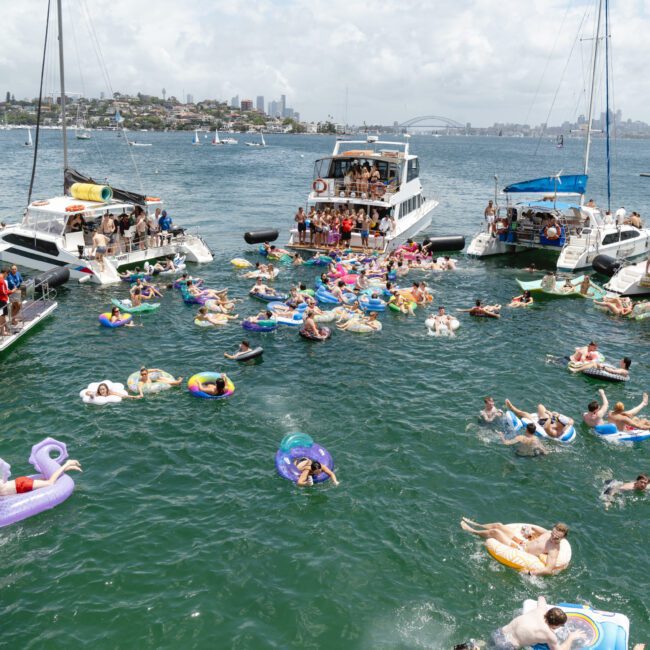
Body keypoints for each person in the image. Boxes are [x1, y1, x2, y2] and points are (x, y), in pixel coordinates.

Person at [460, 519, 571, 576]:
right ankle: (478, 525)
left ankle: (472, 531)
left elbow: (548, 570)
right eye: (553, 534)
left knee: (495, 532)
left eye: (557, 538)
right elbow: (535, 530)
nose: (553, 538)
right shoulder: (548, 533)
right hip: (522, 542)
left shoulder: (554, 549)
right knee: (498, 525)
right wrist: (529, 530)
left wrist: (530, 573)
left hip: (520, 550)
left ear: (563, 538)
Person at [480, 596, 583, 649]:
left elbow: (541, 598)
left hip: (498, 633)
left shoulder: (540, 610)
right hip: (507, 647)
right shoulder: (549, 635)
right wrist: (571, 637)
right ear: (555, 625)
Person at [0, 459, 82, 497]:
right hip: (19, 482)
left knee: (50, 482)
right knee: (47, 479)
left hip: (22, 486)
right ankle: (66, 468)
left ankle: (67, 464)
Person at [505, 399, 573, 439]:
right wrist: (556, 415)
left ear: (561, 424)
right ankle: (545, 415)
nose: (557, 419)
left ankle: (512, 408)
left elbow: (546, 428)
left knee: (525, 414)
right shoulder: (562, 424)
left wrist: (550, 416)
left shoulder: (556, 433)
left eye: (558, 420)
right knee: (540, 406)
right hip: (548, 420)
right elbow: (571, 421)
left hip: (541, 424)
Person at [0, 268, 12, 336]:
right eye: (7, 274)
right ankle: (3, 332)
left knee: (2, 315)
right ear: (5, 273)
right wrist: (12, 291)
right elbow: (4, 292)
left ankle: (6, 328)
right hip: (2, 299)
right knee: (2, 315)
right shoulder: (1, 280)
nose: (7, 276)